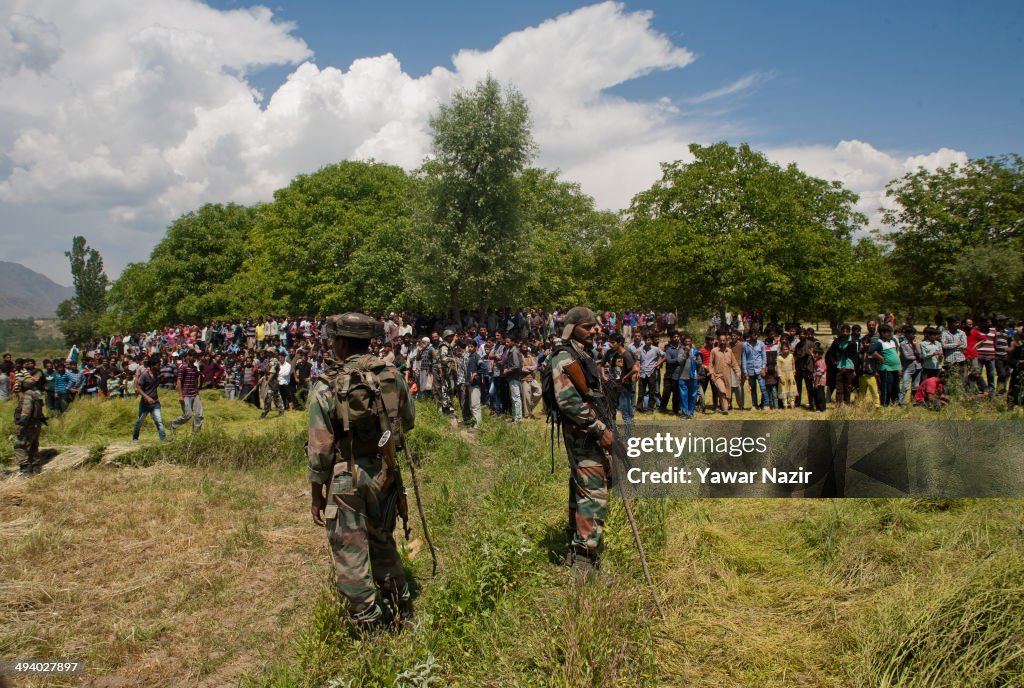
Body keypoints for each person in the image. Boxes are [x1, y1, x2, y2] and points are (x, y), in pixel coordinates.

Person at [307, 312, 416, 628]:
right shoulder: (392, 375)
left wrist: (316, 495)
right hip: (384, 471)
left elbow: (320, 450)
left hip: (345, 478)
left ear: (340, 343)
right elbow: (407, 421)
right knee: (383, 541)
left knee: (351, 554)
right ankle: (401, 610)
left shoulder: (327, 385)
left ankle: (369, 624)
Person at [549, 307, 615, 575]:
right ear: (572, 327)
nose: (593, 331)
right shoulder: (565, 357)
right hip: (584, 434)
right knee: (592, 492)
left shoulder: (581, 354)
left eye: (593, 327)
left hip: (589, 431)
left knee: (584, 488)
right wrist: (600, 430)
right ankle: (584, 560)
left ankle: (578, 548)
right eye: (587, 327)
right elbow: (568, 402)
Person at [14, 375, 46, 476]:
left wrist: (21, 425)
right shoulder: (36, 395)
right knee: (33, 445)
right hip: (36, 424)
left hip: (28, 425)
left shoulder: (27, 396)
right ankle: (36, 467)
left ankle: (25, 470)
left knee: (19, 445)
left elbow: (26, 413)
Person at [132, 357, 167, 442]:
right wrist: (146, 397)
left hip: (155, 402)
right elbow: (138, 388)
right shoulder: (144, 375)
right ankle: (135, 438)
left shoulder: (157, 374)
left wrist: (160, 379)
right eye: (158, 365)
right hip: (145, 403)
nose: (160, 366)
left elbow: (154, 385)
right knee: (140, 421)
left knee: (159, 421)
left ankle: (163, 439)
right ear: (152, 365)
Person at [169, 351, 204, 432]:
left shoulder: (195, 369)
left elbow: (195, 381)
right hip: (186, 395)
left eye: (195, 357)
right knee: (188, 415)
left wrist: (197, 393)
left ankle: (196, 434)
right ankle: (173, 424)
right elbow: (179, 381)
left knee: (199, 414)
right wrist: (180, 395)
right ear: (188, 357)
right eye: (192, 356)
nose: (194, 359)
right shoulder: (183, 367)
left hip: (194, 394)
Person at [709, 333, 741, 415]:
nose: (722, 342)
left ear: (726, 341)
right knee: (722, 390)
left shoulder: (729, 351)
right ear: (718, 341)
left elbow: (734, 363)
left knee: (727, 391)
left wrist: (738, 373)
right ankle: (725, 408)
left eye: (724, 340)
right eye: (721, 340)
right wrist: (712, 374)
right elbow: (711, 364)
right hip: (717, 376)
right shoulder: (714, 351)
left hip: (727, 375)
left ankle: (725, 406)